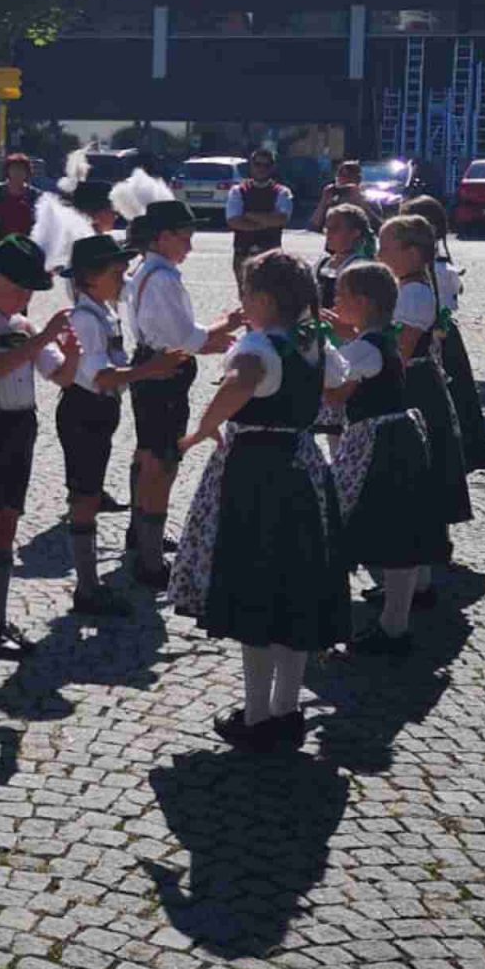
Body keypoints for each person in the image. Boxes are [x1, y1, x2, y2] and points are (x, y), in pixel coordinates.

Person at [162, 250, 351, 751]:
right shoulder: (313, 344)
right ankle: (286, 710)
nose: (242, 301)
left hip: (257, 475)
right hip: (305, 470)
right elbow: (337, 382)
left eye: (246, 293)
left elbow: (239, 383)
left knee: (257, 590)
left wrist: (203, 429)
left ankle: (257, 715)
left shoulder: (259, 347)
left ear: (264, 300)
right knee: (294, 592)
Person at [0, 237, 77, 661]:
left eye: (30, 290)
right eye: (19, 287)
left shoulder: (24, 327)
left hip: (21, 426)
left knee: (8, 521)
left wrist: (73, 354)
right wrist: (43, 337)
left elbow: (60, 376)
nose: (25, 297)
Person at [325, 259, 446, 656]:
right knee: (399, 529)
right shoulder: (380, 339)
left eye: (341, 295)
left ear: (362, 302)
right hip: (396, 437)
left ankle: (393, 626)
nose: (335, 301)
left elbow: (335, 392)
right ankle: (396, 618)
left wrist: (319, 350)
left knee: (385, 529)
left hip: (378, 443)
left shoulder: (365, 347)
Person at [122, 199, 219, 590]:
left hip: (153, 367)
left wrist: (216, 331)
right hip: (163, 374)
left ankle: (140, 534)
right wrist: (219, 338)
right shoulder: (162, 277)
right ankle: (149, 558)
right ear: (163, 237)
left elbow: (180, 331)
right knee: (161, 462)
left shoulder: (148, 269)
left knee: (148, 453)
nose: (190, 246)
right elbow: (184, 338)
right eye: (185, 237)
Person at [377, 213, 469, 599]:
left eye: (386, 248)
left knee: (413, 480)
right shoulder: (407, 287)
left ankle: (415, 581)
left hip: (413, 388)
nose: (379, 254)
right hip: (412, 384)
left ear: (412, 253)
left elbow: (401, 350)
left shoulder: (413, 293)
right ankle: (415, 579)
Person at [45, 233, 137, 618]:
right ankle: (86, 587)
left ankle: (89, 583)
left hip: (99, 410)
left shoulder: (103, 311)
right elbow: (100, 375)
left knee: (90, 492)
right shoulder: (85, 319)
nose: (123, 279)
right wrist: (149, 371)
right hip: (84, 410)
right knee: (84, 498)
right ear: (91, 278)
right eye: (116, 273)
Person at [405, 195, 485, 470]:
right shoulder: (436, 268)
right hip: (437, 336)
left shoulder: (439, 271)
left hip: (435, 340)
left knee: (448, 400)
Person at [223, 148, 292, 290]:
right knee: (245, 294)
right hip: (243, 254)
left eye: (266, 165)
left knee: (271, 295)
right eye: (258, 164)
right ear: (251, 166)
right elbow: (233, 221)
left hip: (271, 255)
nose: (261, 169)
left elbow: (281, 219)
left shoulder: (282, 192)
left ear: (272, 167)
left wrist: (249, 215)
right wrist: (267, 221)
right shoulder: (237, 191)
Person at [313, 200, 376, 312]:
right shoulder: (322, 264)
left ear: (355, 233)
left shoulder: (361, 267)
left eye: (335, 228)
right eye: (327, 228)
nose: (329, 234)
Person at [0, 153, 39, 242]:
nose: (17, 172)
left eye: (21, 169)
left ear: (27, 172)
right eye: (14, 169)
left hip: (25, 242)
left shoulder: (33, 194)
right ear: (7, 171)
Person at [313, 159, 364, 237]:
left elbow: (377, 224)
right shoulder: (333, 199)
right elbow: (314, 225)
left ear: (358, 179)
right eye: (340, 175)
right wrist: (324, 200)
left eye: (348, 176)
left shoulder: (367, 198)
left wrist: (359, 200)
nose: (343, 179)